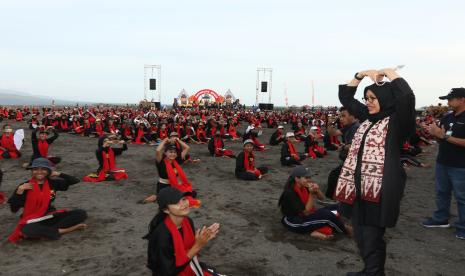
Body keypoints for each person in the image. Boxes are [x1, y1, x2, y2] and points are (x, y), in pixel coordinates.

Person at [335, 68, 415, 276]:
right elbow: (345, 96)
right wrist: (360, 75)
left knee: (371, 236)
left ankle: (373, 272)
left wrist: (389, 73)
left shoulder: (397, 123)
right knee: (361, 235)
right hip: (357, 187)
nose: (368, 102)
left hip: (378, 190)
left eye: (373, 98)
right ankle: (371, 271)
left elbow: (406, 97)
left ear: (385, 98)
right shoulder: (368, 118)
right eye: (366, 98)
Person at [144, 187, 221, 276]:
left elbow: (187, 250)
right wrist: (198, 245)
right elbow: (169, 272)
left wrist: (202, 239)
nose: (183, 204)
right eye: (176, 202)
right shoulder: (162, 236)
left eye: (183, 199)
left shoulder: (187, 221)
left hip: (188, 266)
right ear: (166, 210)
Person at [7, 158, 87, 243]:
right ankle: (66, 230)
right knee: (27, 229)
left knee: (81, 213)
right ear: (32, 171)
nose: (39, 172)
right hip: (33, 219)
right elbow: (14, 209)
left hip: (49, 215)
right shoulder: (24, 186)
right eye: (36, 169)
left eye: (43, 169)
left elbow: (75, 181)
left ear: (48, 171)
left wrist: (58, 174)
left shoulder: (53, 183)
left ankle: (48, 231)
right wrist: (19, 192)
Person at [422, 88, 465, 240]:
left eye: (451, 99)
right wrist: (434, 133)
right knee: (442, 192)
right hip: (443, 162)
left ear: (462, 99)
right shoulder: (448, 117)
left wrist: (443, 137)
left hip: (461, 165)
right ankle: (441, 218)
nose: (448, 102)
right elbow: (442, 136)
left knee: (462, 197)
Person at [278, 166, 352, 240]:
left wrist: (317, 190)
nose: (309, 180)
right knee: (328, 216)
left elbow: (321, 198)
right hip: (294, 221)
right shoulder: (290, 193)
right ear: (297, 179)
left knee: (337, 207)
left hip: (308, 214)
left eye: (309, 177)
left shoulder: (304, 186)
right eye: (306, 178)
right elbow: (306, 212)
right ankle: (344, 230)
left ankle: (317, 231)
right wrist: (311, 194)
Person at [141, 138, 201, 207]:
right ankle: (155, 197)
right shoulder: (161, 161)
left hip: (174, 185)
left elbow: (187, 147)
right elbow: (158, 150)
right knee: (169, 198)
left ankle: (161, 197)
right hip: (163, 186)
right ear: (166, 153)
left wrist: (177, 140)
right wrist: (165, 140)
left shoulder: (176, 161)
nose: (173, 154)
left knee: (192, 193)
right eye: (170, 152)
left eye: (174, 152)